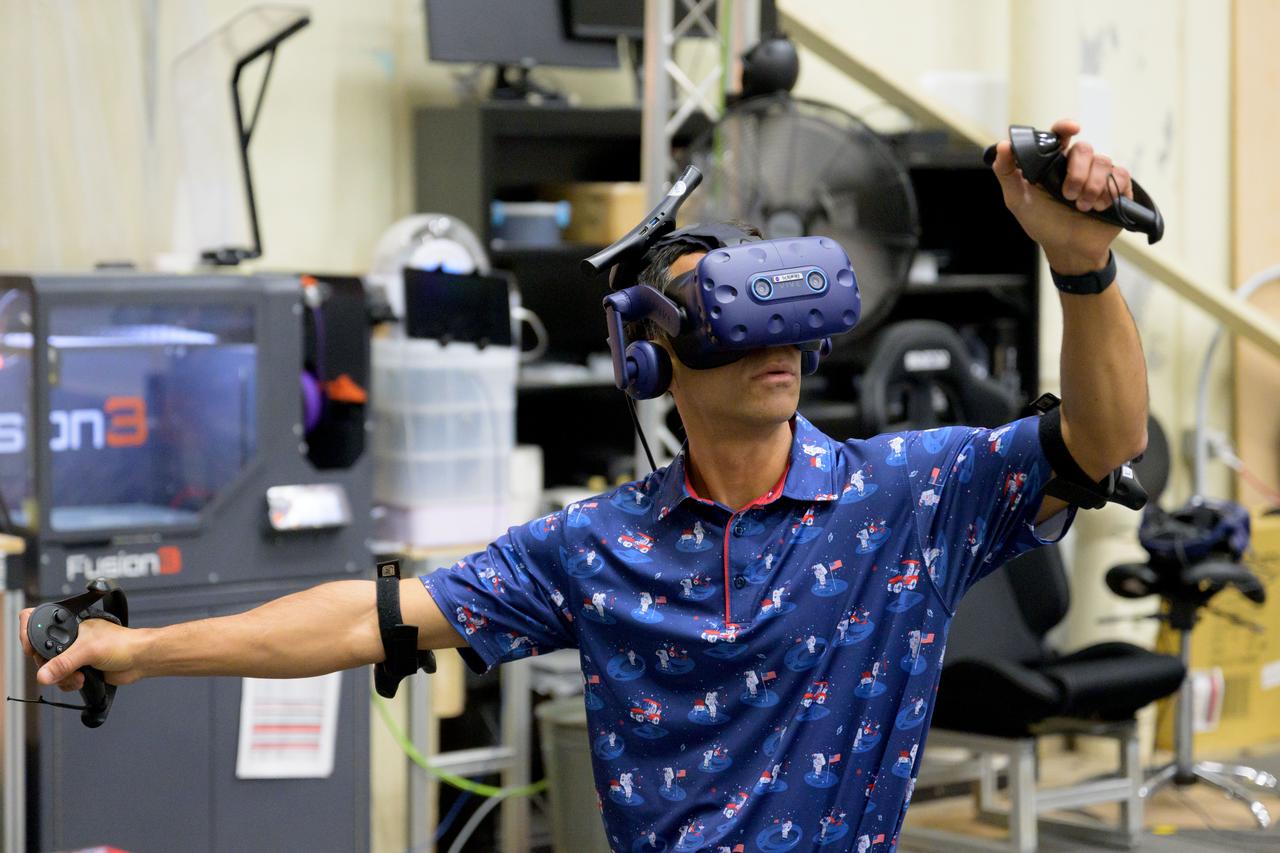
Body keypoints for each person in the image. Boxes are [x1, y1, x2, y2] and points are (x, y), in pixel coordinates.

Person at [19, 119, 1147, 848]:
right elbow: (369, 619)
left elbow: (1098, 442)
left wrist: (1079, 264)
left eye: (780, 309)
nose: (772, 342)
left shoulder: (902, 499)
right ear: (652, 358)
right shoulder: (596, 546)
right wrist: (138, 647)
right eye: (722, 310)